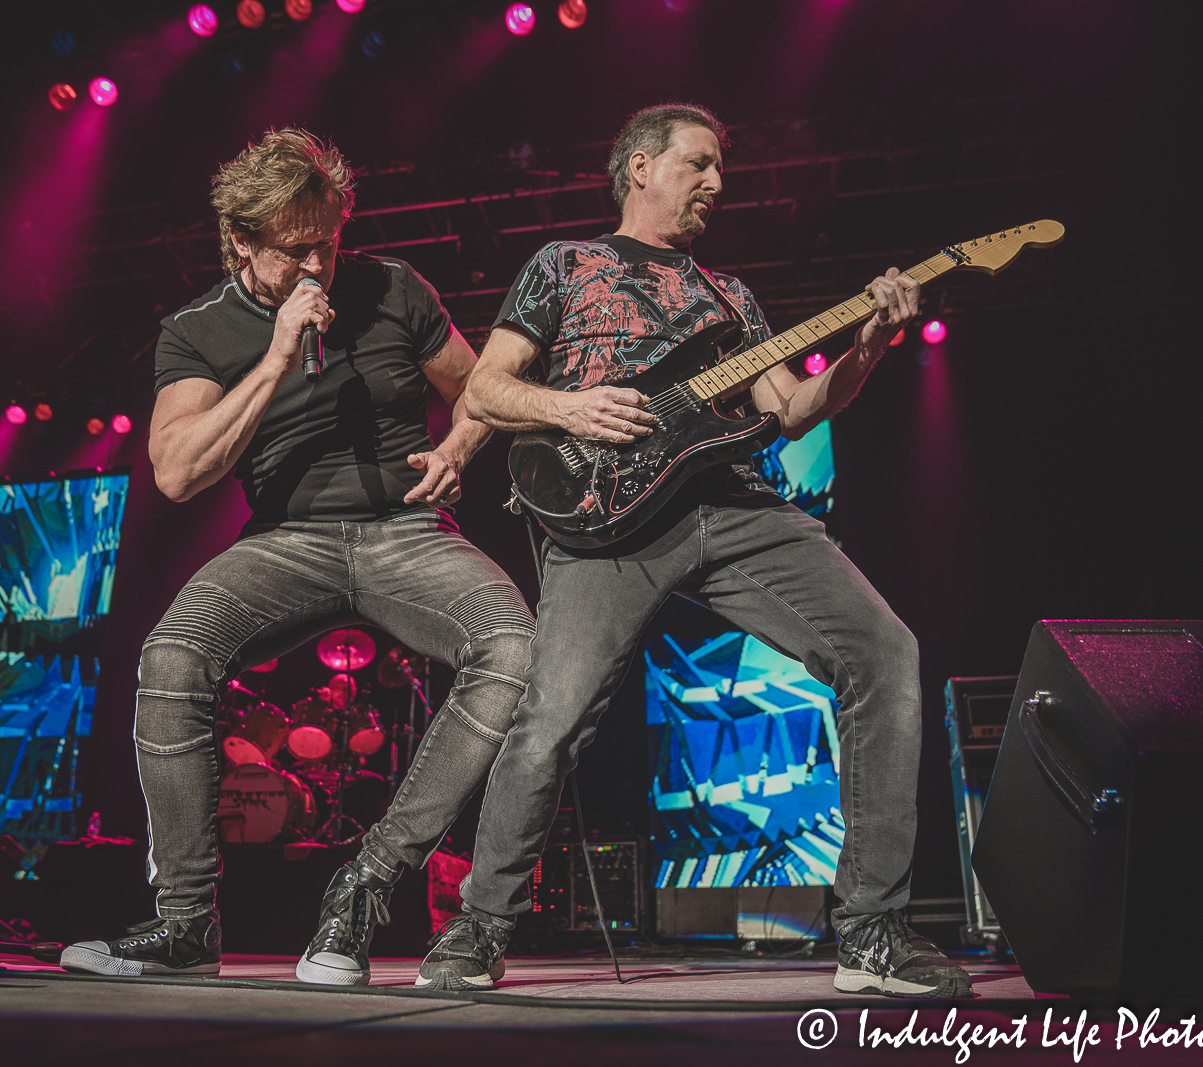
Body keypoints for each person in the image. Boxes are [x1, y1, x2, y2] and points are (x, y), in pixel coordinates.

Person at [416, 103, 971, 998]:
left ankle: (871, 932)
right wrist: (573, 408)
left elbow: (789, 409)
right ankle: (479, 930)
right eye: (699, 164)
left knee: (883, 652)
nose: (717, 182)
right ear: (640, 166)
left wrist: (868, 344)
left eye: (720, 169)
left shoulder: (732, 297)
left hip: (736, 506)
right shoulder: (566, 265)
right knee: (551, 723)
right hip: (606, 521)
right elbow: (486, 386)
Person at [58, 128, 535, 986]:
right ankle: (183, 924)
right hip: (286, 542)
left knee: (514, 648)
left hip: (405, 532)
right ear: (239, 239)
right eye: (292, 250)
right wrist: (277, 353)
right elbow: (176, 471)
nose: (316, 265)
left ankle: (368, 883)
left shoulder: (391, 287)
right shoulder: (200, 330)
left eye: (328, 242)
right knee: (172, 655)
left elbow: (478, 388)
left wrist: (459, 448)